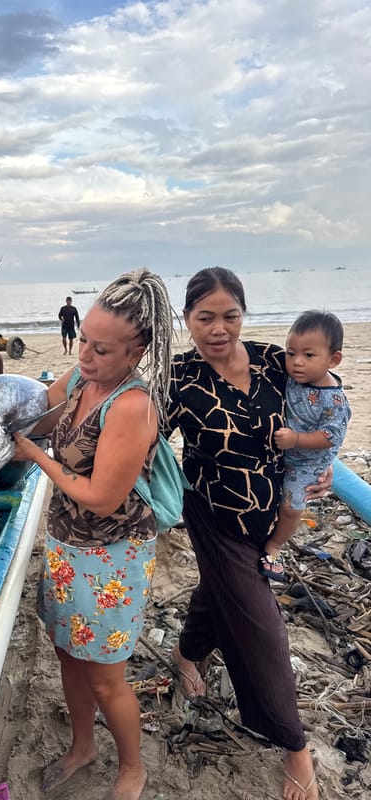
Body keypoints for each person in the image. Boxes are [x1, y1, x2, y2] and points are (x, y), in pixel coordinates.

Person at [13, 268, 175, 800]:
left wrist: (35, 456)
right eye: (83, 340)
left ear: (136, 352)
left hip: (113, 555)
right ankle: (82, 747)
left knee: (106, 676)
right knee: (68, 654)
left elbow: (102, 497)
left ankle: (132, 768)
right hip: (66, 543)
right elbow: (43, 414)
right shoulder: (83, 377)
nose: (85, 355)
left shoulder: (132, 405)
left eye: (101, 349)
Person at [166, 267, 328, 800]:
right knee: (263, 626)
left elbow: (320, 412)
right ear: (187, 319)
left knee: (220, 590)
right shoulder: (178, 376)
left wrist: (323, 465)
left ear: (243, 314)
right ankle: (294, 745)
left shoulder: (272, 361)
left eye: (230, 316)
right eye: (205, 318)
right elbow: (142, 438)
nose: (219, 329)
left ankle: (187, 652)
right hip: (214, 515)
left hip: (268, 513)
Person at [261, 310, 351, 582]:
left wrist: (297, 439)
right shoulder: (294, 376)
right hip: (282, 454)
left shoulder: (333, 399)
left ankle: (275, 546)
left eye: (309, 355)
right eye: (291, 353)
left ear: (333, 360)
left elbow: (330, 436)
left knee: (291, 507)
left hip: (307, 464)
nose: (297, 362)